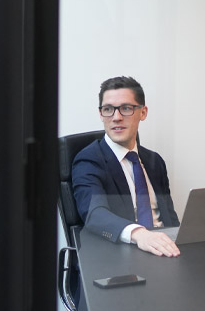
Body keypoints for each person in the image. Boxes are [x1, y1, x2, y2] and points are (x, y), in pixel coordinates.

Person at [71, 76, 180, 257]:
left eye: (126, 108)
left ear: (143, 113)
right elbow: (94, 214)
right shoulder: (89, 160)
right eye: (108, 109)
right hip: (121, 257)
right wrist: (139, 234)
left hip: (164, 253)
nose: (116, 117)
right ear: (101, 114)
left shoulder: (155, 162)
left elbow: (170, 218)